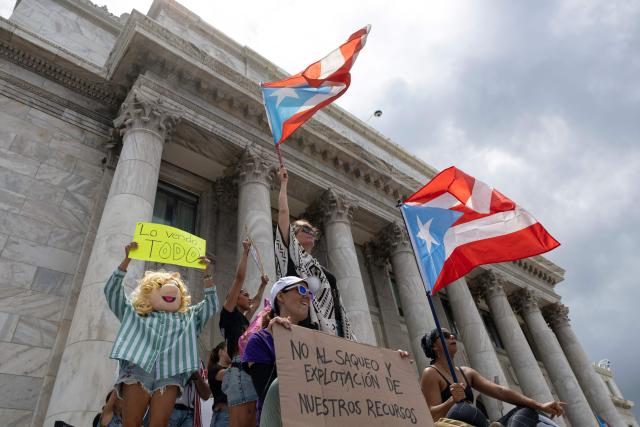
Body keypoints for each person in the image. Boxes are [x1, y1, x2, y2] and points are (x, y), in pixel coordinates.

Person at [105, 242, 218, 427]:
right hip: (137, 368)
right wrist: (127, 261)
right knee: (130, 423)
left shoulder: (189, 317)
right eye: (161, 284)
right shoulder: (135, 312)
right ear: (148, 290)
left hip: (171, 374)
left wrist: (206, 273)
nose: (170, 287)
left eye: (175, 285)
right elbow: (112, 292)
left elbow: (211, 304)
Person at [420, 328, 565, 427]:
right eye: (445, 336)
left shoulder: (467, 372)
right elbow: (430, 415)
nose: (452, 336)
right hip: (455, 422)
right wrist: (451, 400)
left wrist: (539, 405)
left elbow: (500, 391)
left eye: (452, 334)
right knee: (461, 408)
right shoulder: (431, 373)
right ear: (434, 346)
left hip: (480, 423)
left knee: (527, 410)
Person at [274, 166, 354, 340]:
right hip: (302, 327)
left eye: (313, 231)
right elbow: (283, 214)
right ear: (293, 235)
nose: (311, 233)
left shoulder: (322, 270)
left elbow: (337, 307)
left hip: (332, 332)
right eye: (305, 229)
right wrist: (283, 184)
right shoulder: (291, 255)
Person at [243, 276, 318, 427]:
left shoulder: (312, 342)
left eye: (309, 294)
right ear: (281, 296)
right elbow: (267, 394)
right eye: (301, 289)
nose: (307, 297)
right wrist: (280, 342)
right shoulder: (259, 341)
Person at [219, 238, 268, 427]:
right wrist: (246, 253)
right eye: (244, 294)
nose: (248, 297)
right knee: (244, 421)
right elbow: (239, 279)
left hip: (251, 366)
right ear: (234, 297)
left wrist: (262, 286)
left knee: (254, 420)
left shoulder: (245, 319)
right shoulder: (228, 313)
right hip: (239, 369)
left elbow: (255, 302)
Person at [208, 341, 231, 427]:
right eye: (228, 349)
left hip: (228, 415)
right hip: (223, 416)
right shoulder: (215, 369)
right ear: (221, 352)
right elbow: (229, 374)